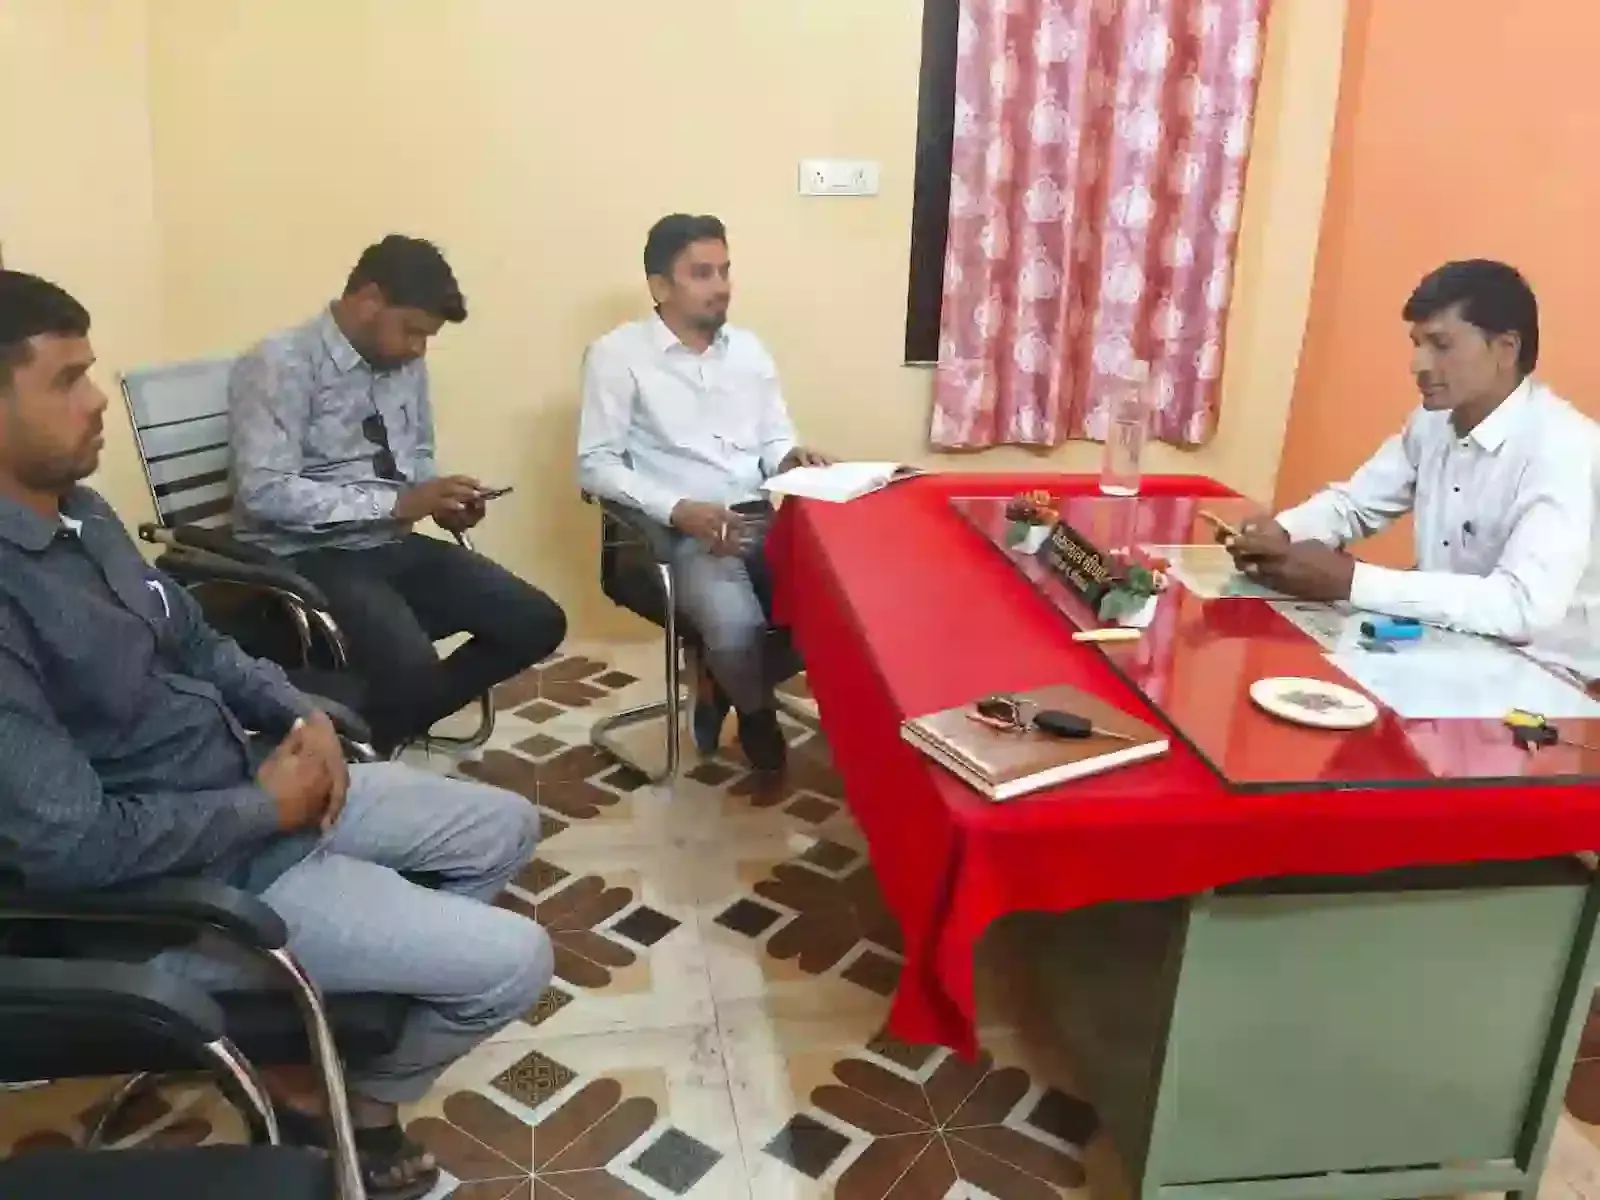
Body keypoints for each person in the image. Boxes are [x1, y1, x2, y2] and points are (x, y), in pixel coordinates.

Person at [0, 270, 552, 1199]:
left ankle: (332, 1017)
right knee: (515, 963)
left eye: (90, 372)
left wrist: (299, 712)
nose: (96, 401)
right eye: (65, 380)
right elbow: (70, 846)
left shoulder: (82, 514)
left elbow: (196, 639)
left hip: (254, 779)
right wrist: (265, 806)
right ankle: (346, 1105)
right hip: (194, 881)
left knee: (505, 826)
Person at [230, 235, 567, 752]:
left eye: (426, 337)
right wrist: (400, 504)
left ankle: (372, 733)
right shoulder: (280, 363)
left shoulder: (402, 364)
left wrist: (443, 499)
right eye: (412, 330)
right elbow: (264, 491)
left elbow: (417, 455)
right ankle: (365, 738)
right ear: (369, 300)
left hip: (389, 543)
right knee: (412, 674)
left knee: (537, 622)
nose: (418, 348)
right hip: (307, 555)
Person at [1225, 259, 1600, 676]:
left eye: (1441, 345)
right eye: (1417, 343)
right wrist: (1283, 532)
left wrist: (1353, 581)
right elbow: (1355, 504)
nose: (1418, 364)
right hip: (1449, 647)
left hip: (1549, 677)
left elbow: (1523, 606)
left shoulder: (1563, 446)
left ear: (1505, 349)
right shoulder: (1433, 423)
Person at [577, 214, 829, 772]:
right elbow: (595, 466)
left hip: (758, 518)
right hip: (676, 532)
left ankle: (717, 675)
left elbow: (773, 438)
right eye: (701, 273)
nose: (721, 286)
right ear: (660, 286)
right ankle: (758, 717)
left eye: (725, 270)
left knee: (837, 610)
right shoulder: (617, 356)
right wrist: (678, 510)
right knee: (736, 627)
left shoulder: (749, 351)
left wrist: (790, 456)